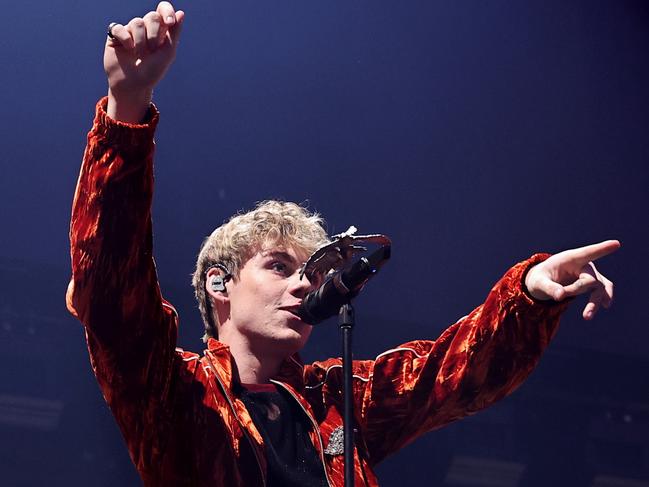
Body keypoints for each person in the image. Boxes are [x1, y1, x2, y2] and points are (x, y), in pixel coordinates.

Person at [66, 2, 619, 486]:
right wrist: (127, 105)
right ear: (220, 284)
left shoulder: (334, 402)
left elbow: (447, 375)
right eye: (280, 267)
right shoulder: (175, 392)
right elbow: (113, 290)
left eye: (311, 271)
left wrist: (528, 295)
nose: (306, 283)